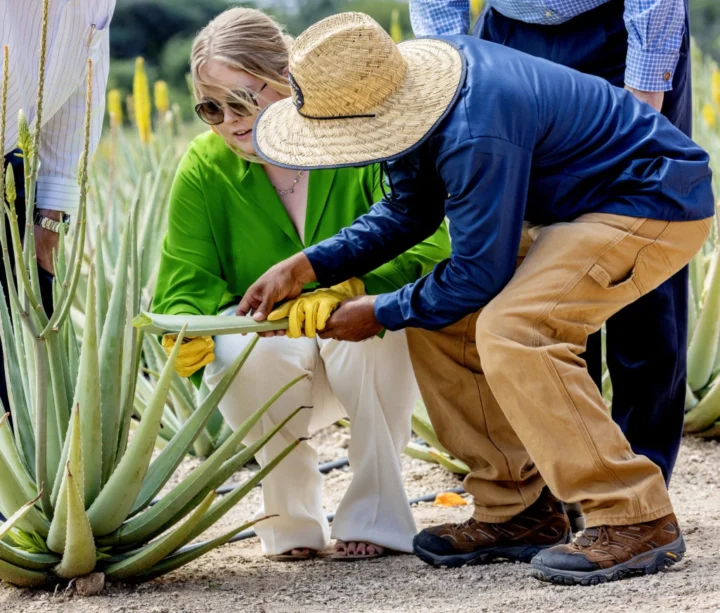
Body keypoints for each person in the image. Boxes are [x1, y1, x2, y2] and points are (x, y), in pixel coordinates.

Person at [239, 13, 714, 584]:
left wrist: (380, 312)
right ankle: (516, 509)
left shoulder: (473, 124)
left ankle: (635, 515)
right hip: (571, 208)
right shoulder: (405, 95)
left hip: (648, 200)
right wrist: (308, 265)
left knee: (516, 328)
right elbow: (408, 210)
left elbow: (477, 274)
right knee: (444, 319)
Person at [152, 8, 450, 562]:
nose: (230, 121)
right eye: (210, 107)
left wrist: (353, 283)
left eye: (243, 98)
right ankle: (290, 523)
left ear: (288, 77)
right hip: (275, 359)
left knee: (372, 323)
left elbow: (430, 244)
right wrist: (187, 329)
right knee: (241, 350)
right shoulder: (204, 166)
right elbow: (181, 283)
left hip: (358, 352)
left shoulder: (355, 135)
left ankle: (377, 516)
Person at [409, 0, 692, 486]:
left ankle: (640, 493)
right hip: (504, 38)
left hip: (621, 34)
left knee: (633, 255)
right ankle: (554, 485)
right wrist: (452, 71)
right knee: (528, 266)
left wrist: (639, 108)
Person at [0, 0, 115, 521]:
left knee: (20, 346)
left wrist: (50, 216)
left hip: (11, 167)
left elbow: (83, 85)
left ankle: (18, 504)